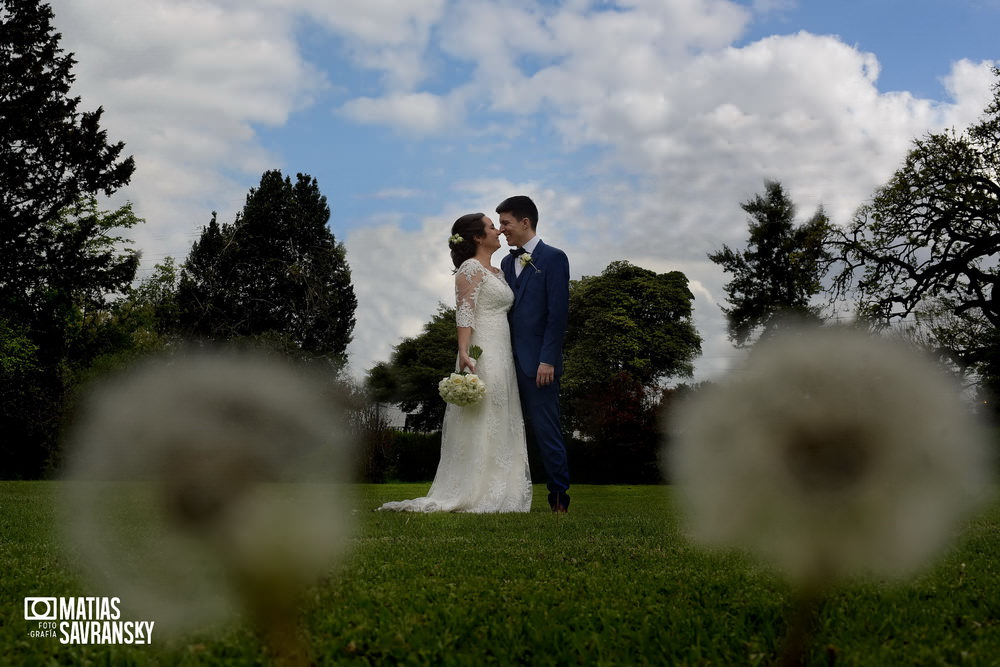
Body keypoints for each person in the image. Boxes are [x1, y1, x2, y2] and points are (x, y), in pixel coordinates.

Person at [378, 213, 532, 513]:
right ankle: (474, 489)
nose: (498, 231)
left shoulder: (497, 272)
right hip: (482, 349)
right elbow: (465, 311)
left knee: (502, 413)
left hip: (503, 349)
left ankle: (502, 488)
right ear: (477, 237)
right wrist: (463, 350)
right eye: (491, 227)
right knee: (482, 413)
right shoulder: (470, 268)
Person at [497, 195, 571, 513]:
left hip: (538, 364)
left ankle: (558, 499)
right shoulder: (504, 263)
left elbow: (558, 314)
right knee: (504, 431)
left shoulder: (554, 258)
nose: (501, 231)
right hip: (503, 361)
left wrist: (547, 359)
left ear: (525, 222)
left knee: (546, 432)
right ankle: (503, 494)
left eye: (506, 223)